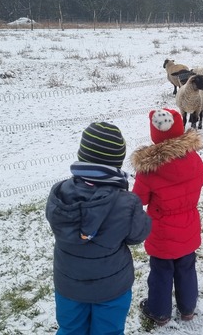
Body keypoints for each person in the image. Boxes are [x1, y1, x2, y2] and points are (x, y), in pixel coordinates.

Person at [45, 122, 152, 335]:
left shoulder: (60, 194)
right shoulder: (127, 203)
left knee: (70, 329)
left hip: (69, 284)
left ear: (82, 155)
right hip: (111, 287)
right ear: (116, 163)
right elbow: (137, 235)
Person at [131, 108, 203, 326]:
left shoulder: (149, 169)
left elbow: (139, 199)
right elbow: (201, 180)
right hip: (189, 224)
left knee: (161, 272)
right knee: (186, 268)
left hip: (161, 229)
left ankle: (159, 312)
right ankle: (188, 308)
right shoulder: (194, 159)